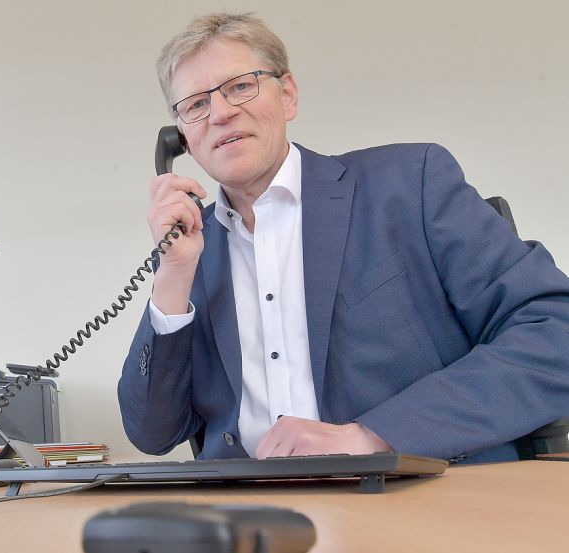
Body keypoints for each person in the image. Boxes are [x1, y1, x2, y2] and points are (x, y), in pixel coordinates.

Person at [118, 12, 569, 464]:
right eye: (196, 104)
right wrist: (173, 276)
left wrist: (373, 437)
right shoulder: (190, 247)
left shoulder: (409, 185)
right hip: (247, 512)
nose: (220, 112)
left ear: (287, 95)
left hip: (406, 496)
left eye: (240, 86)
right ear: (181, 139)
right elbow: (152, 433)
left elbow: (554, 331)